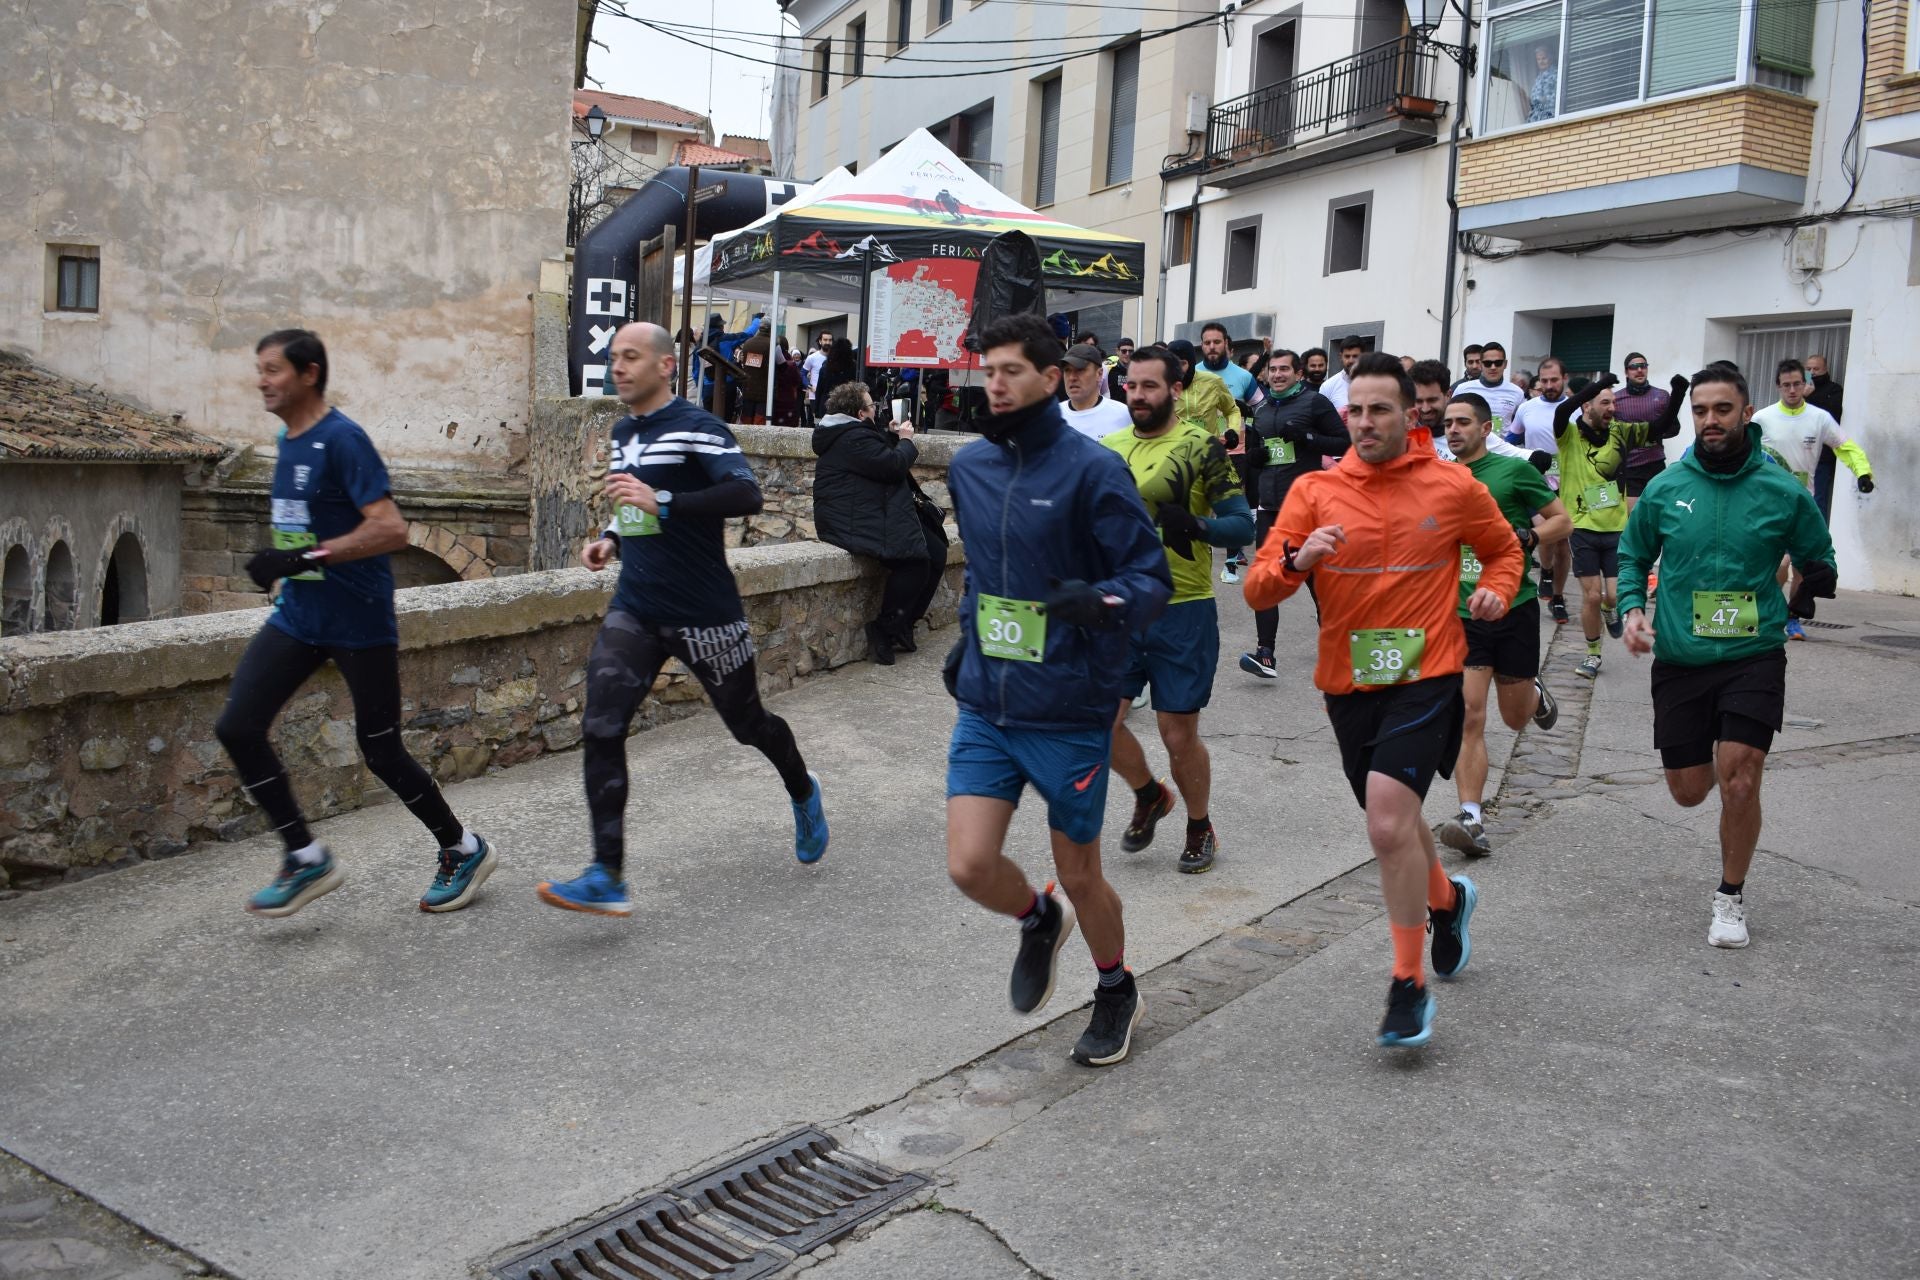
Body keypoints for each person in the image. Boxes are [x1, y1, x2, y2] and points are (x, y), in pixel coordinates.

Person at [1244, 353, 1523, 1048]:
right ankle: (1447, 901)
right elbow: (1257, 588)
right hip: (1348, 683)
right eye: (1355, 411)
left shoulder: (1452, 485)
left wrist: (1498, 590)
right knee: (1392, 821)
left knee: (1387, 822)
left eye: (1379, 410)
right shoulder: (1314, 491)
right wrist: (1296, 561)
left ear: (1410, 415)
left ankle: (1406, 982)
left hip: (1428, 673)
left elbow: (1503, 550)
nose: (1365, 423)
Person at [537, 323, 829, 917]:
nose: (618, 367)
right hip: (637, 607)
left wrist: (662, 503)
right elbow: (634, 499)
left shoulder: (700, 428)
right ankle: (607, 874)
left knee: (748, 724)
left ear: (666, 366)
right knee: (600, 724)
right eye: (614, 357)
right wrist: (612, 538)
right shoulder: (624, 430)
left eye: (632, 357)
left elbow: (745, 495)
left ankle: (803, 789)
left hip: (705, 614)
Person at [943, 312, 1172, 1068]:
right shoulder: (970, 467)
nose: (997, 383)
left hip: (1070, 708)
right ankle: (1037, 918)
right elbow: (984, 568)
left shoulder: (1092, 470)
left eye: (1012, 370)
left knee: (1081, 872)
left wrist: (1099, 602)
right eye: (989, 370)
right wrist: (966, 636)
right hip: (989, 703)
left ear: (1052, 377)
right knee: (969, 866)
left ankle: (1115, 986)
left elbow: (1150, 579)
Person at [219, 329, 494, 918]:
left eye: (273, 370)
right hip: (299, 616)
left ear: (309, 373)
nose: (261, 380)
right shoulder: (287, 442)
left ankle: (462, 848)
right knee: (238, 726)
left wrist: (300, 558)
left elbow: (390, 528)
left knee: (381, 749)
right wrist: (285, 570)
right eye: (259, 369)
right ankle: (305, 855)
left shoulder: (343, 440)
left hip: (358, 620)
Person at [1617, 365, 1836, 949]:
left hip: (1753, 653)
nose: (1710, 420)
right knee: (1689, 790)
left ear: (1746, 413)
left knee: (1740, 778)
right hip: (1683, 658)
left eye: (1722, 410)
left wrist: (1807, 590)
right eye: (1700, 411)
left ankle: (1730, 896)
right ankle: (1717, 752)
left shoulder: (1781, 488)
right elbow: (1633, 556)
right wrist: (1634, 610)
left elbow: (1818, 555)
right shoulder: (1667, 487)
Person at [1103, 345, 1255, 874]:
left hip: (1181, 606)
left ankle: (1199, 823)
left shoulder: (1201, 447)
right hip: (1119, 606)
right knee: (1101, 722)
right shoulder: (1107, 448)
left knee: (1176, 733)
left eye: (1149, 385)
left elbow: (1243, 525)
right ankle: (1149, 794)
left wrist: (1199, 526)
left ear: (1175, 390)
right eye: (1130, 384)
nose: (1138, 394)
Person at [1433, 392, 1570, 856]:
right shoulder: (1439, 478)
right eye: (1448, 422)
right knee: (1471, 714)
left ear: (1486, 428)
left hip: (1514, 608)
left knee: (1515, 717)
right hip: (1462, 613)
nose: (1453, 430)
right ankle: (1471, 819)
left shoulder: (1514, 473)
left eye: (1463, 422)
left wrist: (1529, 535)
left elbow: (1562, 521)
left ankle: (1534, 692)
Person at [1554, 371, 1688, 679]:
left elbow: (1659, 427)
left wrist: (1677, 393)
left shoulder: (1620, 432)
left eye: (1614, 402)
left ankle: (1607, 610)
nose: (1613, 407)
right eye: (1605, 402)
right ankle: (1592, 653)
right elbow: (1563, 410)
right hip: (1582, 526)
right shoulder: (1568, 434)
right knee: (1590, 595)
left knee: (1612, 596)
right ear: (1587, 406)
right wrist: (1596, 385)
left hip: (1615, 527)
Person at [1237, 348, 1347, 678]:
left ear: (1299, 373)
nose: (1279, 375)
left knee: (1318, 581)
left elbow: (1344, 443)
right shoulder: (1264, 407)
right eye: (1273, 370)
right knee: (1266, 577)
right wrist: (1255, 457)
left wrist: (1307, 437)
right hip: (1270, 506)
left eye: (1285, 369)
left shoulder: (1314, 403)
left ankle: (1338, 646)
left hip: (1307, 509)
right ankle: (1265, 653)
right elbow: (1259, 448)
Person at [812, 381, 932, 665]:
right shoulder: (852, 437)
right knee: (915, 561)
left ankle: (904, 623)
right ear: (860, 412)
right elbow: (891, 467)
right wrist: (905, 441)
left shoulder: (849, 432)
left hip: (860, 511)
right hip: (848, 520)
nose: (875, 409)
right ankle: (885, 627)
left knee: (935, 551)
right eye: (871, 406)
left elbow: (877, 460)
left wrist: (890, 436)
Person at [1752, 359, 1874, 639]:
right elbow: (1743, 453)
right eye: (1786, 385)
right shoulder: (1762, 418)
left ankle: (1793, 619)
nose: (1792, 390)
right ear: (1778, 387)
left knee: (1803, 568)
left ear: (1805, 384)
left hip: (1804, 505)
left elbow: (1845, 447)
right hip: (1768, 505)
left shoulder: (1819, 418)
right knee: (1777, 566)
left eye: (1797, 384)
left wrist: (1863, 472)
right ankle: (1774, 611)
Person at [1509, 357, 1575, 623]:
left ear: (1564, 379)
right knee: (1546, 536)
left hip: (1570, 483)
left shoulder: (1576, 409)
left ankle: (1558, 597)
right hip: (1538, 483)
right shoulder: (1527, 408)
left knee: (1563, 541)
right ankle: (1546, 572)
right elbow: (1511, 439)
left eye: (1554, 380)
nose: (1549, 385)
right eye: (1544, 381)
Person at [1612, 352, 1669, 512]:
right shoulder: (1616, 399)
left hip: (1656, 463)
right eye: (1634, 367)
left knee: (1659, 513)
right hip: (1630, 467)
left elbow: (1674, 428)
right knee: (1633, 516)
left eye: (1643, 366)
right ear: (1626, 372)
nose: (1639, 370)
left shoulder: (1662, 396)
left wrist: (1655, 432)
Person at [1165, 338, 1237, 440]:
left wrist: (1232, 431)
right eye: (1173, 364)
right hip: (1175, 451)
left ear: (1191, 362)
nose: (1178, 369)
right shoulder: (1162, 386)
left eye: (1182, 363)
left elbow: (1232, 410)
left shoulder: (1213, 381)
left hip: (1208, 451)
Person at [1059, 342, 1133, 440]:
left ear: (1099, 374)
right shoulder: (1054, 416)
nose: (1072, 377)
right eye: (1067, 370)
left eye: (1080, 370)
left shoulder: (1123, 415)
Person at [1451, 341, 1525, 438]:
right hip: (1470, 450)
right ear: (1481, 364)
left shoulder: (1517, 392)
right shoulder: (1463, 389)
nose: (1493, 367)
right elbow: (1450, 419)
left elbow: (1522, 425)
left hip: (1501, 451)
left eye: (1498, 363)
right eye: (1488, 363)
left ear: (1505, 364)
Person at [1804, 353, 1845, 523]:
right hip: (1800, 454)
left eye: (1816, 368)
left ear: (1825, 369)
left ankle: (1818, 542)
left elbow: (1830, 415)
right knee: (1798, 497)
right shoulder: (1799, 391)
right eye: (1808, 369)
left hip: (1822, 456)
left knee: (1818, 499)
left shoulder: (1834, 390)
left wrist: (1810, 396)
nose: (1812, 372)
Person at [1198, 322, 1256, 403]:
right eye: (1207, 343)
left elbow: (1260, 409)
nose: (1212, 347)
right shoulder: (1191, 374)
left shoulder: (1245, 377)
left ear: (1225, 343)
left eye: (1217, 342)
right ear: (1202, 345)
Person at [1319, 335, 1367, 412]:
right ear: (1341, 357)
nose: (1351, 361)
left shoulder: (1375, 384)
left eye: (1355, 356)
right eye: (1347, 356)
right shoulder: (1328, 386)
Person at [813, 337, 858, 413]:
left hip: (827, 405)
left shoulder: (826, 367)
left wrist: (816, 408)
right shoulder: (854, 367)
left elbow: (819, 390)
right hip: (846, 405)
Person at [771, 335, 806, 427]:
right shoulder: (791, 364)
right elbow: (797, 382)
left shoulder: (771, 361)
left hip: (773, 401)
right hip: (789, 402)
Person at [1527, 44, 1558, 122]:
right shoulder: (1537, 79)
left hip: (1550, 116)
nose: (1541, 62)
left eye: (1544, 58)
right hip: (1536, 118)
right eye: (1538, 59)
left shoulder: (1556, 74)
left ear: (1550, 58)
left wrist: (1543, 100)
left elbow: (1558, 97)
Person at [802, 331, 832, 399]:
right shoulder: (812, 357)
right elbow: (802, 374)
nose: (828, 342)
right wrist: (810, 387)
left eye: (830, 340)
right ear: (820, 341)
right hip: (814, 397)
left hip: (831, 398)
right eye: (825, 340)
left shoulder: (835, 357)